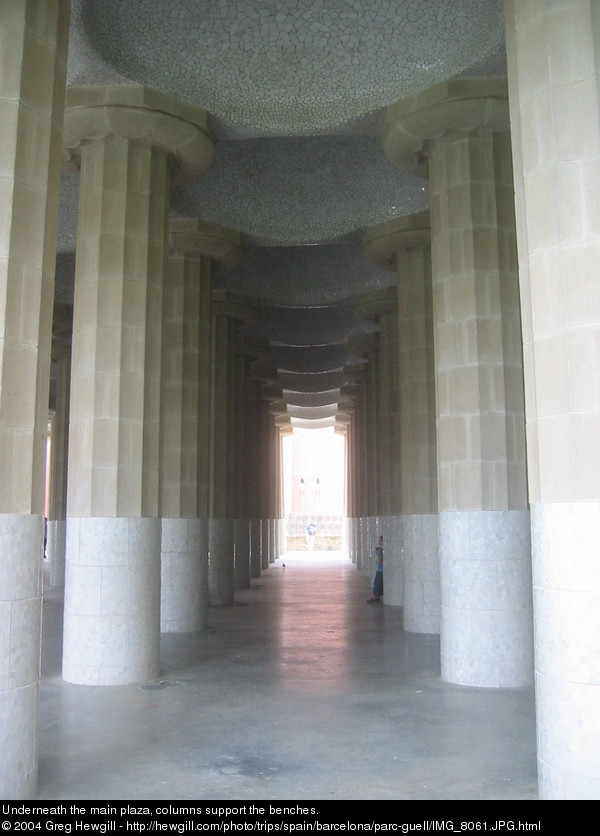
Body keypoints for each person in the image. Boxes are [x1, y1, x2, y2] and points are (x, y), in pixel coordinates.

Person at [367, 535, 383, 602]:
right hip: (381, 569)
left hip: (380, 570)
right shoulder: (380, 549)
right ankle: (377, 596)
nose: (379, 541)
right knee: (379, 583)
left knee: (377, 583)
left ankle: (376, 596)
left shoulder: (380, 550)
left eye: (380, 540)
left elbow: (380, 560)